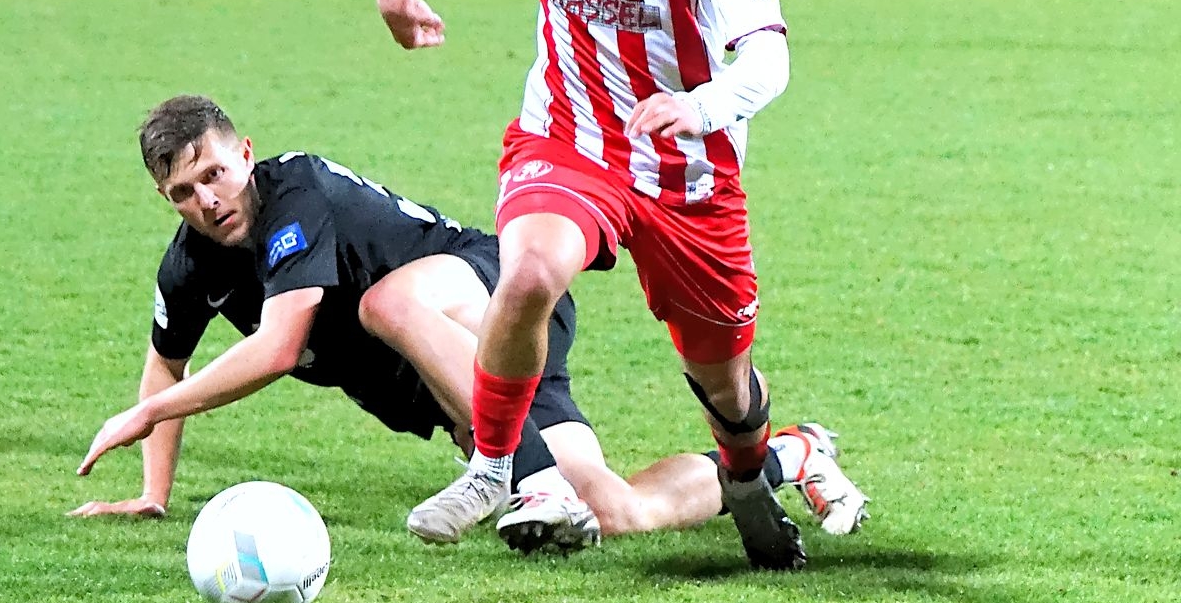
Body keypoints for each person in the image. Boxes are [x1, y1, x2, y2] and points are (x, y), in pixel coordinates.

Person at [376, 0, 812, 570]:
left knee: (726, 383)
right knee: (529, 270)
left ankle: (750, 477)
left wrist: (701, 105)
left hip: (687, 174)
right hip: (569, 139)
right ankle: (495, 467)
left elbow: (769, 58)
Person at [73, 96, 867, 554]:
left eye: (215, 172)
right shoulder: (190, 266)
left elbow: (279, 346)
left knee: (388, 302)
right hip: (447, 376)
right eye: (184, 192)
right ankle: (791, 453)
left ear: (245, 153)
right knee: (620, 511)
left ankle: (527, 478)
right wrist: (153, 491)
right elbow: (165, 360)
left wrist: (145, 415)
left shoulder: (296, 193)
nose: (208, 198)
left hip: (490, 297)